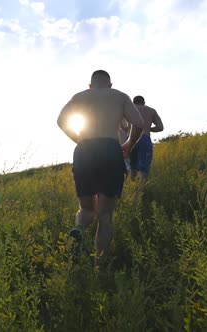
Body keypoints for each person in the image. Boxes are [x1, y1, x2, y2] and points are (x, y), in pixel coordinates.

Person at [57, 70, 144, 268]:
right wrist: (129, 144)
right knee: (105, 216)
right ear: (110, 84)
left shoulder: (78, 97)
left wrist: (78, 139)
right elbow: (138, 123)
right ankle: (99, 268)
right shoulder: (119, 96)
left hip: (83, 151)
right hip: (109, 150)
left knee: (86, 208)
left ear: (90, 85)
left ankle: (79, 229)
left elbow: (61, 121)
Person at [129, 95, 163, 180]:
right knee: (143, 169)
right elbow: (160, 127)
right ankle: (142, 191)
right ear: (144, 103)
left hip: (131, 139)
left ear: (133, 103)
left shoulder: (130, 109)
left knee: (132, 167)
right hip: (144, 138)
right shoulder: (151, 111)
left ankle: (133, 190)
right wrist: (148, 128)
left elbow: (123, 125)